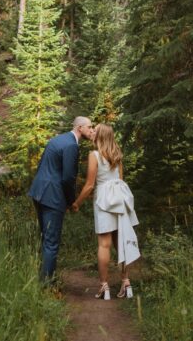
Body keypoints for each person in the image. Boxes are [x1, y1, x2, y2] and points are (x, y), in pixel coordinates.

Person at [70, 123, 140, 300]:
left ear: (100, 136)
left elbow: (90, 185)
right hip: (120, 198)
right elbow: (120, 180)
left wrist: (77, 203)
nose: (92, 132)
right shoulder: (117, 155)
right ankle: (126, 283)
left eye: (95, 130)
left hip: (103, 200)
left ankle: (104, 287)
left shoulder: (94, 155)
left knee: (104, 244)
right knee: (121, 242)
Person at [28, 116, 95, 285]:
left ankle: (42, 278)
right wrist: (71, 201)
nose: (91, 130)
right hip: (53, 196)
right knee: (51, 242)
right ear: (80, 128)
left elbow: (43, 166)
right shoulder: (72, 145)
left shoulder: (57, 139)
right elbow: (68, 177)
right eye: (89, 127)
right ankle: (47, 285)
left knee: (45, 238)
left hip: (38, 192)